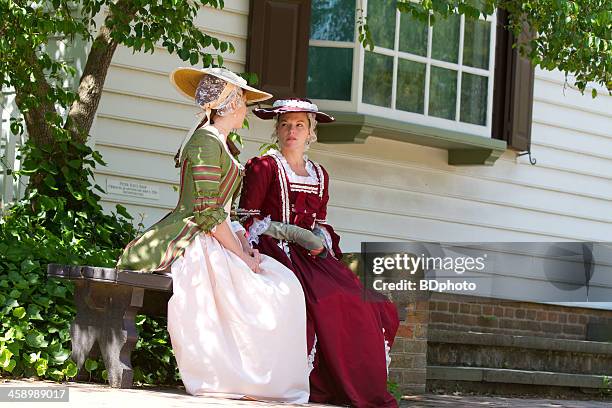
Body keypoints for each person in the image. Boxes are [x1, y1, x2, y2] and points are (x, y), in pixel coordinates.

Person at [116, 68, 309, 403]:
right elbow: (206, 212)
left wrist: (244, 246)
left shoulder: (221, 143)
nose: (246, 110)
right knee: (255, 289)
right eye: (243, 103)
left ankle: (260, 379)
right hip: (193, 236)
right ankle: (240, 378)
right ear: (229, 104)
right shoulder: (205, 143)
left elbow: (223, 212)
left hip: (216, 233)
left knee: (284, 284)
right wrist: (241, 255)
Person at [236, 98, 400, 408]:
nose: (291, 131)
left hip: (312, 253)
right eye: (284, 124)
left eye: (299, 125)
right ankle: (318, 382)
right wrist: (293, 234)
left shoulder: (320, 174)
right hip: (273, 247)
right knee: (320, 300)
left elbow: (321, 222)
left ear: (311, 132)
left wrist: (316, 240)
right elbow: (248, 218)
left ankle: (353, 386)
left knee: (361, 299)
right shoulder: (264, 166)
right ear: (277, 130)